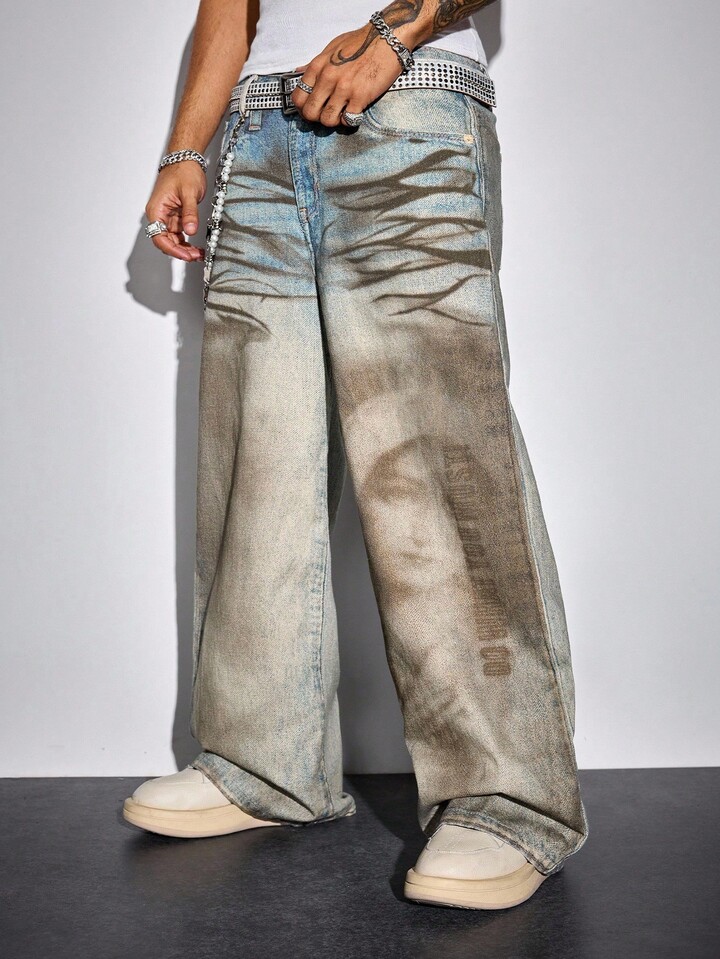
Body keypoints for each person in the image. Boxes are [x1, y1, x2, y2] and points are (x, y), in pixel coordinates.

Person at [123, 0, 590, 910]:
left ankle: (507, 798)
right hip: (255, 134)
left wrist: (396, 35)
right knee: (257, 462)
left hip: (405, 105)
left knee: (433, 458)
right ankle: (264, 762)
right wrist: (187, 148)